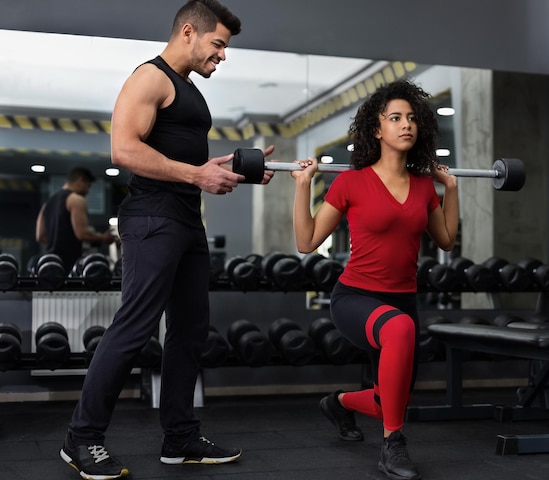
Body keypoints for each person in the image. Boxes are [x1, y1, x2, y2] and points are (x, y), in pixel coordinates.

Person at [59, 1, 274, 479]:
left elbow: (180, 156)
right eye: (217, 45)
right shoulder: (150, 77)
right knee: (135, 328)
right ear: (188, 33)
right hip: (153, 218)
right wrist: (195, 176)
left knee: (190, 330)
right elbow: (124, 148)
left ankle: (179, 438)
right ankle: (83, 437)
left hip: (184, 220)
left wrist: (226, 169)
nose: (221, 56)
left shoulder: (186, 89)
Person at [291, 79, 459, 480]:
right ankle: (392, 446)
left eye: (412, 118)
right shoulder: (350, 182)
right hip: (355, 298)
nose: (406, 125)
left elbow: (447, 241)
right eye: (395, 118)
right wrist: (303, 187)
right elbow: (307, 241)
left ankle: (340, 403)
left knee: (392, 401)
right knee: (399, 332)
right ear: (376, 129)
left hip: (403, 300)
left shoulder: (423, 188)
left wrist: (450, 187)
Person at [35, 166, 117, 274]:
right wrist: (104, 238)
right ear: (80, 180)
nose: (88, 191)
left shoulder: (47, 203)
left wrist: (62, 243)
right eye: (88, 186)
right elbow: (82, 234)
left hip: (50, 265)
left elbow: (40, 237)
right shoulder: (76, 200)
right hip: (69, 265)